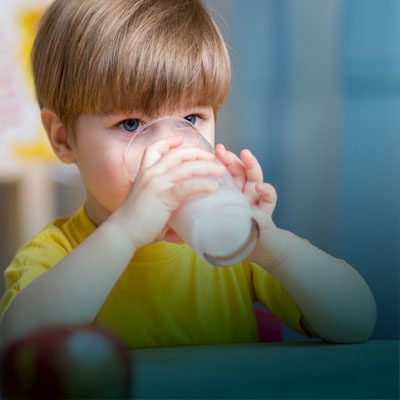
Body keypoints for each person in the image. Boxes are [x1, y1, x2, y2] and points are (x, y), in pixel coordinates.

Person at [0, 0, 376, 348]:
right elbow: (20, 344)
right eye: (130, 124)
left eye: (190, 119)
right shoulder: (55, 253)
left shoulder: (232, 247)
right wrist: (126, 232)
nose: (171, 149)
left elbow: (357, 321)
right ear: (64, 138)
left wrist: (271, 247)